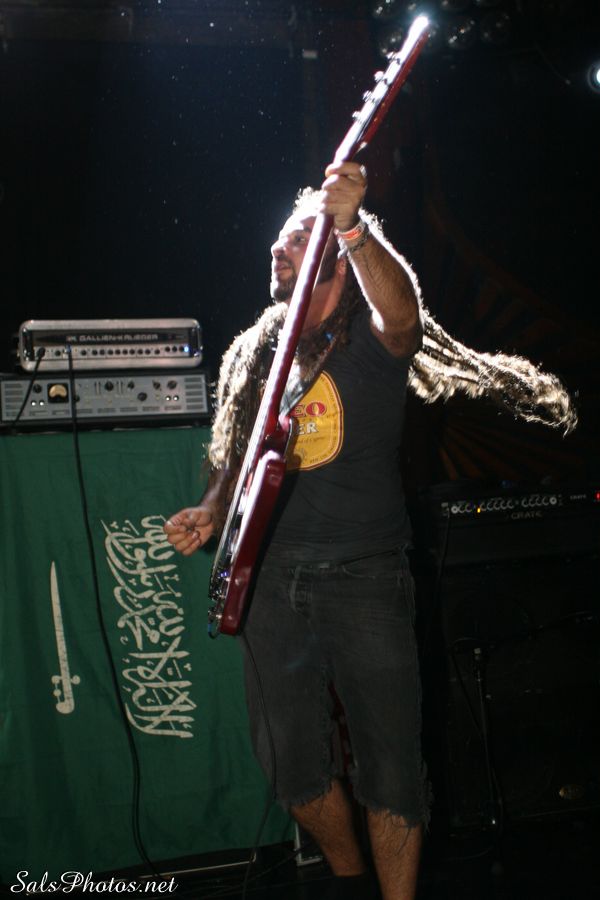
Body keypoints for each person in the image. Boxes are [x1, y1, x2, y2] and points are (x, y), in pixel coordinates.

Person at [164, 161, 575, 900]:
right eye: (279, 240)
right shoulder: (259, 350)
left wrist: (353, 226)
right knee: (292, 772)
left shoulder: (372, 337)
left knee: (392, 773)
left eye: (297, 239)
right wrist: (213, 507)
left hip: (366, 578)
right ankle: (352, 884)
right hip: (271, 587)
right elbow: (238, 454)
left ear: (333, 253)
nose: (278, 249)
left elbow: (404, 315)